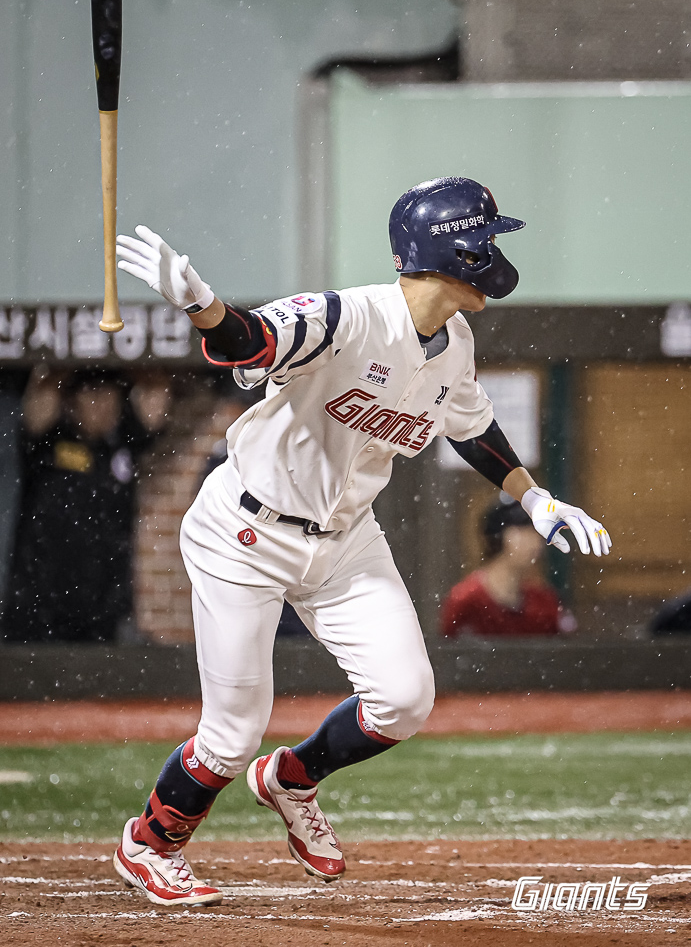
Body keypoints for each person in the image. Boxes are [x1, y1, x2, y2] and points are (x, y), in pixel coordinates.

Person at [111, 176, 611, 906]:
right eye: (486, 238)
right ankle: (149, 845)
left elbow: (471, 428)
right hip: (244, 532)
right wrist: (201, 304)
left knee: (403, 701)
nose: (495, 253)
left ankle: (291, 778)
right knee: (229, 733)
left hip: (345, 537)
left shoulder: (456, 341)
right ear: (452, 252)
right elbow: (248, 340)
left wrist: (533, 497)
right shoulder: (348, 315)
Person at [2, 368, 169, 644]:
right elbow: (42, 387)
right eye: (92, 394)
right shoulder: (48, 441)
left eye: (110, 394)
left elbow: (157, 391)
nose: (102, 404)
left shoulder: (122, 445)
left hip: (100, 610)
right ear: (71, 400)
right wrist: (70, 358)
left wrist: (127, 354)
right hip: (39, 606)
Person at [441, 498, 576, 637]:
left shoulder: (544, 603)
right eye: (523, 531)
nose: (535, 542)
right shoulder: (467, 602)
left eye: (537, 534)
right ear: (498, 537)